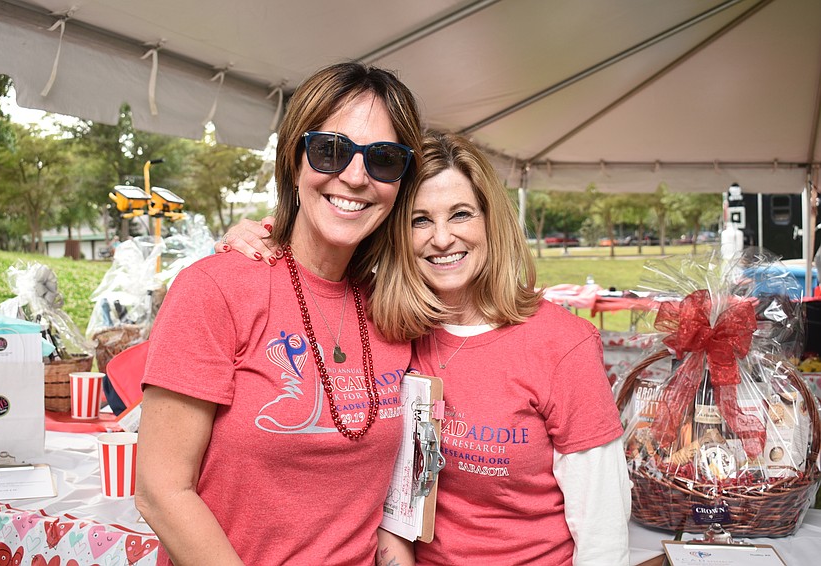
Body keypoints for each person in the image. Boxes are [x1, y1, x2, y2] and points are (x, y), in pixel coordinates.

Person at [220, 131, 631, 565]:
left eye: (460, 214)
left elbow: (602, 522)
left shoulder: (561, 343)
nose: (441, 238)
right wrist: (262, 232)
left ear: (492, 221)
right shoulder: (384, 323)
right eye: (420, 220)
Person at [135, 61, 423, 566]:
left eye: (382, 159)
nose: (354, 177)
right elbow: (161, 490)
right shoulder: (216, 288)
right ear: (295, 161)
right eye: (330, 151)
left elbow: (387, 507)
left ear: (400, 182)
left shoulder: (396, 309)